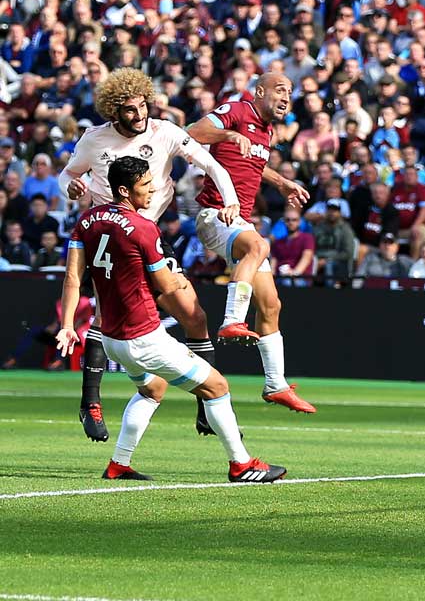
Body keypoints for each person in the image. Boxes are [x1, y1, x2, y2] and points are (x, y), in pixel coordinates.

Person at [56, 156, 286, 483]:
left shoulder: (88, 220)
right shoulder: (143, 227)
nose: (152, 192)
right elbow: (164, 285)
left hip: (111, 339)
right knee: (218, 387)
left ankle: (118, 464)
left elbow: (72, 279)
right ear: (124, 190)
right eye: (145, 187)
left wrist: (68, 325)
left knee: (153, 390)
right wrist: (179, 281)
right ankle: (242, 465)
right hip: (143, 338)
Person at [58, 68, 241, 441]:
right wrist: (72, 188)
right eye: (129, 109)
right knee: (105, 315)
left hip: (150, 233)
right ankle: (90, 401)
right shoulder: (95, 140)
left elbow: (211, 165)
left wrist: (231, 200)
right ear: (114, 111)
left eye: (143, 106)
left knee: (195, 315)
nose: (139, 115)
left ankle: (206, 405)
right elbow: (67, 175)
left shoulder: (166, 132)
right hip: (110, 234)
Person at [187, 72, 316, 414]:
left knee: (271, 305)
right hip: (215, 214)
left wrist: (282, 182)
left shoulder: (266, 130)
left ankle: (275, 384)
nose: (287, 96)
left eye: (290, 91)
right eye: (280, 89)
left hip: (238, 220)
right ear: (259, 92)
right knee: (259, 245)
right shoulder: (237, 110)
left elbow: (254, 166)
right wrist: (228, 133)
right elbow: (192, 133)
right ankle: (232, 319)